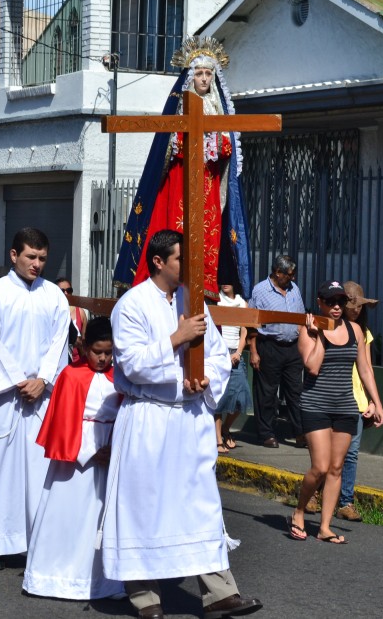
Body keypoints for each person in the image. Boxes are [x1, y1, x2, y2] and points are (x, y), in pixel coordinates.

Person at [104, 230, 259, 619]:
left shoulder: (195, 304)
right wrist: (177, 337)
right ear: (158, 261)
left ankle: (220, 593)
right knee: (143, 507)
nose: (189, 267)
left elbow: (219, 357)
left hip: (189, 417)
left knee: (200, 505)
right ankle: (146, 599)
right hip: (149, 418)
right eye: (180, 259)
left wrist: (204, 379)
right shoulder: (132, 304)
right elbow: (132, 364)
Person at [113, 36, 252, 300]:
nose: (203, 78)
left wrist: (217, 142)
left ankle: (204, 282)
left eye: (208, 73)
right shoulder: (179, 107)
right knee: (177, 228)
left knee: (207, 232)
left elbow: (227, 147)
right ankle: (172, 275)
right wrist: (188, 139)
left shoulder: (218, 109)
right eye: (198, 73)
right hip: (179, 181)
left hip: (208, 183)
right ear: (190, 77)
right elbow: (169, 145)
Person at [0, 228, 69, 570]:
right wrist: (17, 380)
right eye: (30, 257)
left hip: (41, 396)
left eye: (42, 258)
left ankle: (35, 542)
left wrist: (43, 379)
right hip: (5, 397)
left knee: (39, 470)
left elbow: (59, 343)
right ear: (13, 256)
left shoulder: (55, 295)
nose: (37, 264)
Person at [25, 316, 123, 600]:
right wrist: (87, 452)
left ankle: (103, 583)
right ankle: (53, 577)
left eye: (108, 352)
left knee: (100, 519)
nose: (103, 358)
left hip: (107, 455)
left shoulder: (118, 378)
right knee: (65, 516)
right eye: (97, 352)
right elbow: (65, 420)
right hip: (74, 460)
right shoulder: (70, 375)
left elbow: (125, 417)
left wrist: (113, 447)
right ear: (84, 346)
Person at [290, 281, 383, 545]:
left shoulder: (355, 330)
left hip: (344, 406)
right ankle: (299, 511)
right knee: (319, 467)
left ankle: (324, 526)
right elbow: (311, 367)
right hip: (315, 404)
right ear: (319, 302)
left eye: (341, 302)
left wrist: (377, 403)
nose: (336, 307)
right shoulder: (307, 330)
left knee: (336, 468)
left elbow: (365, 369)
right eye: (331, 302)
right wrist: (319, 334)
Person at [247, 255, 305, 449]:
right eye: (289, 275)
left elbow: (301, 319)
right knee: (267, 392)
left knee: (296, 391)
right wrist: (254, 351)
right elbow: (252, 324)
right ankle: (266, 434)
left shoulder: (294, 289)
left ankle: (300, 433)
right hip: (269, 346)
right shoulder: (260, 291)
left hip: (292, 348)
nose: (293, 278)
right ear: (277, 273)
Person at [335, 281, 381, 522]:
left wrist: (373, 402)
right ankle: (314, 495)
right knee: (330, 454)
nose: (358, 310)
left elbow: (367, 370)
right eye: (354, 305)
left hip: (357, 400)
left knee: (351, 454)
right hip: (334, 397)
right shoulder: (331, 328)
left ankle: (346, 501)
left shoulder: (364, 334)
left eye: (360, 306)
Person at [215, 283, 248, 454]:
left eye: (230, 279)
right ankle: (218, 439)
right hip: (219, 354)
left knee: (240, 398)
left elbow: (244, 332)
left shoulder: (242, 303)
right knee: (219, 398)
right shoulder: (216, 300)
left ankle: (225, 429)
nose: (226, 283)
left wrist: (239, 353)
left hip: (236, 354)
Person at [56, 276, 88, 364]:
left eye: (69, 290)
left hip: (78, 361)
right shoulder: (53, 312)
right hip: (60, 361)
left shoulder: (80, 312)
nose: (65, 293)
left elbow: (84, 340)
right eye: (62, 291)